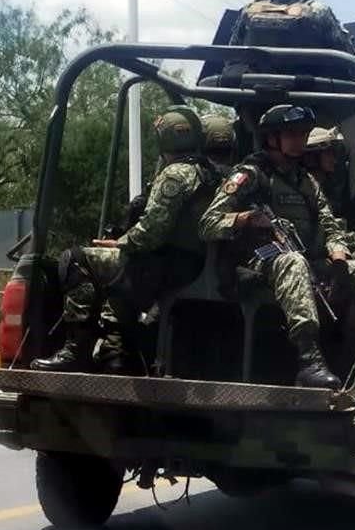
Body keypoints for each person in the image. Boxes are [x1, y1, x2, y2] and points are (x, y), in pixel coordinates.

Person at [199, 104, 355, 389]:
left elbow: (330, 225)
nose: (300, 141)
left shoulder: (305, 181)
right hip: (257, 261)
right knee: (292, 262)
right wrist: (245, 218)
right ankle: (309, 360)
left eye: (303, 134)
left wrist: (339, 257)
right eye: (292, 134)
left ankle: (350, 360)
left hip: (305, 256)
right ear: (272, 138)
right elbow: (208, 223)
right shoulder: (250, 175)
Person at [31, 106, 219, 372]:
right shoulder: (210, 173)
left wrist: (120, 243)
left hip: (164, 266)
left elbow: (152, 231)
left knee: (75, 259)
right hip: (191, 264)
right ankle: (116, 353)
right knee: (119, 275)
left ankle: (76, 350)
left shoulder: (175, 174)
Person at [228, 0, 355, 65]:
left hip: (248, 87)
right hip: (305, 87)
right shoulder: (318, 11)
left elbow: (230, 54)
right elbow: (348, 57)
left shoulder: (249, 10)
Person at [302, 126, 355, 263]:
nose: (334, 160)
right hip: (316, 257)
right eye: (329, 154)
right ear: (312, 156)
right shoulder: (305, 188)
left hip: (332, 249)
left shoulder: (325, 189)